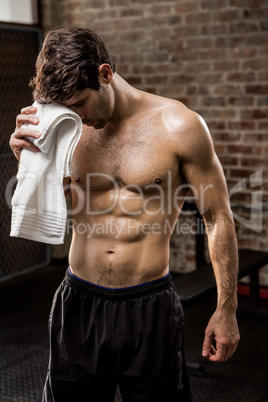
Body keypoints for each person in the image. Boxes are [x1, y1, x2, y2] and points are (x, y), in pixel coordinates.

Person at [9, 27, 240, 402]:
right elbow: (51, 200)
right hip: (78, 301)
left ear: (105, 74)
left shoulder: (179, 126)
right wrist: (28, 160)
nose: (77, 118)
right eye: (67, 109)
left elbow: (218, 218)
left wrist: (227, 309)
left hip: (150, 307)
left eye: (81, 103)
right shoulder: (64, 126)